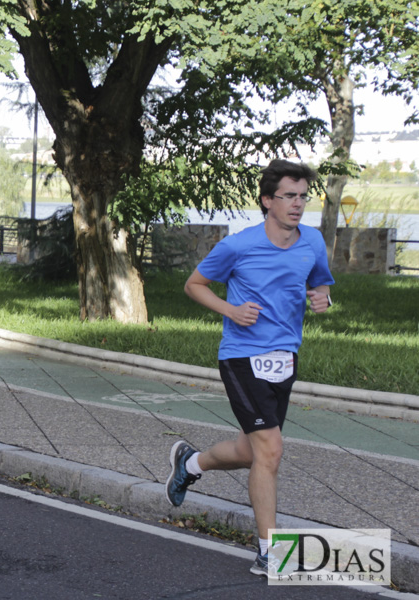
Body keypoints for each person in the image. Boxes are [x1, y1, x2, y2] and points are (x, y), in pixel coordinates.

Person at [165, 159, 334, 577]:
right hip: (240, 356)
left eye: (302, 196)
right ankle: (268, 552)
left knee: (252, 450)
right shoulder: (239, 246)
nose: (297, 204)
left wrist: (322, 297)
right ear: (267, 201)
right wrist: (231, 310)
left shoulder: (311, 241)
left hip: (285, 358)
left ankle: (188, 464)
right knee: (271, 450)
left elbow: (320, 280)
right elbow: (194, 285)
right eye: (288, 196)